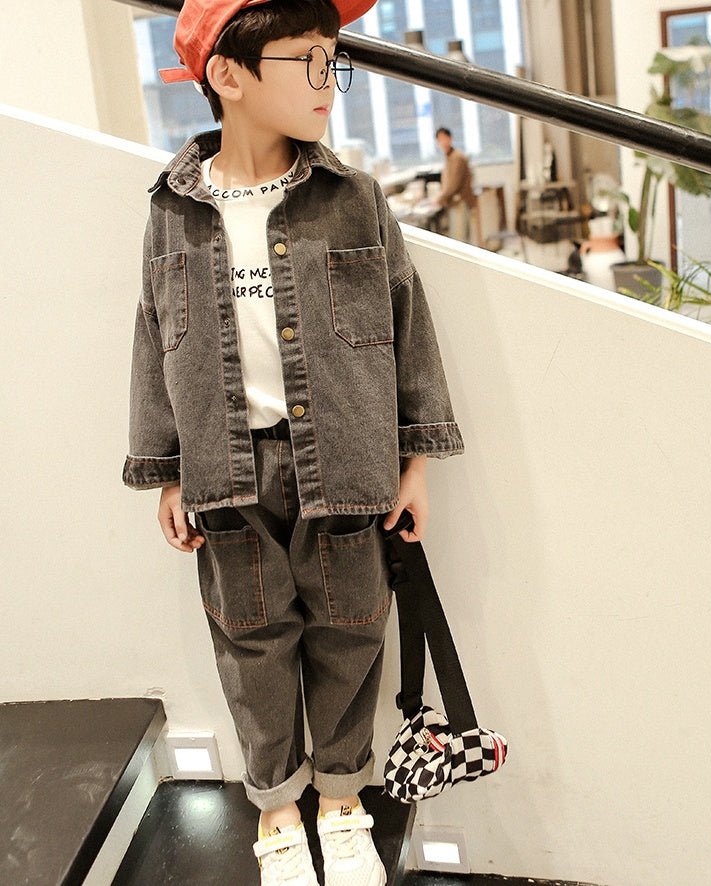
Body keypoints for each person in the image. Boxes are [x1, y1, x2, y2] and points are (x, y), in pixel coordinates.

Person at [122, 1, 464, 884]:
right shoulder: (173, 210)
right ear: (227, 76)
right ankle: (277, 809)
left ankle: (341, 801)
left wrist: (416, 461)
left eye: (331, 61)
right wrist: (166, 472)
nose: (327, 83)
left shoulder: (353, 200)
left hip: (345, 460)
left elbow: (407, 327)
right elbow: (154, 337)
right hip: (225, 468)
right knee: (251, 641)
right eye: (306, 61)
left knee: (351, 630)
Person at [434, 126, 476, 240]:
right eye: (440, 140)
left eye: (445, 138)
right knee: (458, 235)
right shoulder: (449, 156)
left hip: (460, 202)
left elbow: (453, 185)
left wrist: (438, 199)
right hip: (454, 203)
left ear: (450, 138)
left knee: (459, 237)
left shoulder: (456, 157)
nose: (443, 142)